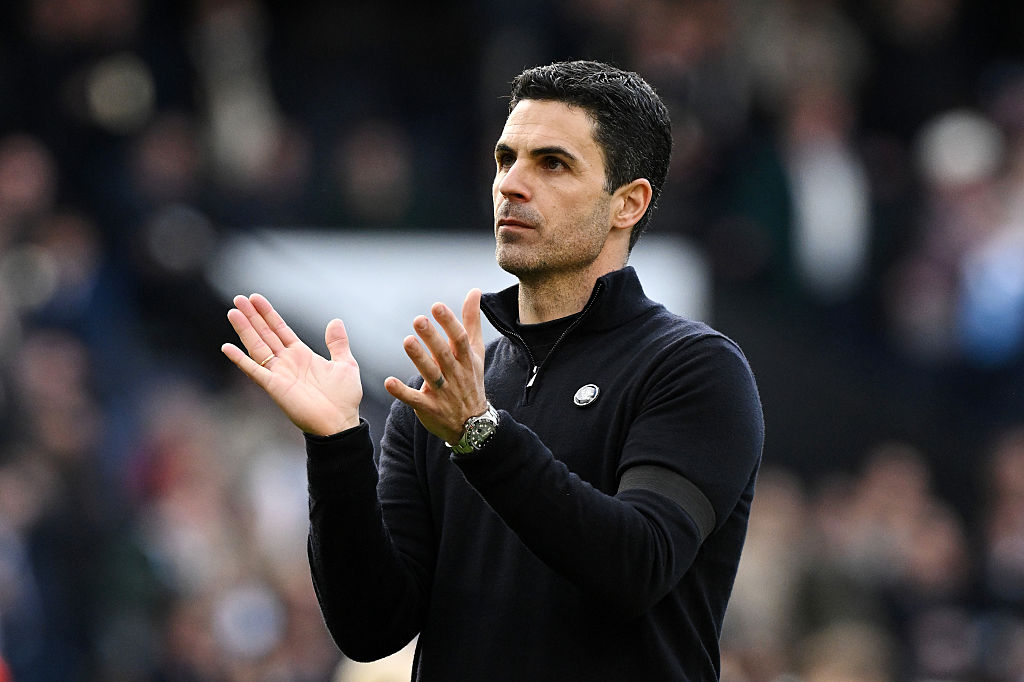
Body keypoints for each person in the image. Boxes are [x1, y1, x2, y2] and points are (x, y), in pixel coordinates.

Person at [222, 60, 764, 681]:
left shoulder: (693, 368)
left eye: (552, 164)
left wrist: (481, 435)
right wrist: (336, 445)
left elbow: (637, 565)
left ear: (628, 204)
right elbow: (372, 628)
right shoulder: (442, 394)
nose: (511, 184)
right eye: (506, 159)